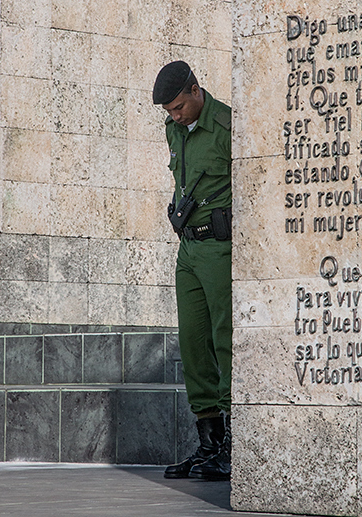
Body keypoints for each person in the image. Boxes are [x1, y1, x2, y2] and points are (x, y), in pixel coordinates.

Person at [152, 60, 232, 481]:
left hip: (220, 247)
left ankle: (238, 443)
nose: (175, 115)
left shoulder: (226, 125)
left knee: (225, 338)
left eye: (179, 106)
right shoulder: (173, 130)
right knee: (193, 343)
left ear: (196, 90)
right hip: (189, 248)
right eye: (169, 111)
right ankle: (209, 443)